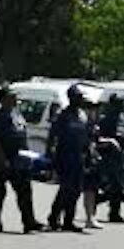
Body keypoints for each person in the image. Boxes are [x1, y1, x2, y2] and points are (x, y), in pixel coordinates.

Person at [0, 86, 44, 234]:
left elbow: (21, 135)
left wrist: (27, 155)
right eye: (11, 97)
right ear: (3, 99)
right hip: (1, 158)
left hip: (18, 159)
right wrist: (2, 159)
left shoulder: (17, 114)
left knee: (24, 190)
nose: (14, 99)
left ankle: (29, 221)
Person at [46, 85, 89, 233]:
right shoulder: (63, 115)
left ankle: (68, 221)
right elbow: (53, 136)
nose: (81, 100)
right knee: (65, 189)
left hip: (79, 156)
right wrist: (50, 155)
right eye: (78, 97)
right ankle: (54, 217)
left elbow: (86, 136)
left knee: (76, 190)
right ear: (71, 98)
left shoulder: (83, 115)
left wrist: (88, 152)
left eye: (81, 97)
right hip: (65, 156)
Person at [97, 93, 124, 223]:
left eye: (121, 103)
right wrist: (112, 139)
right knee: (108, 184)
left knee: (119, 186)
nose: (120, 106)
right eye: (118, 103)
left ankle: (114, 213)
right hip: (108, 155)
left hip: (120, 155)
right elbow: (98, 137)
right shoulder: (104, 119)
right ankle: (96, 201)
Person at [81, 94, 104, 230]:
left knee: (91, 189)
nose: (94, 111)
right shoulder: (82, 122)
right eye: (91, 108)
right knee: (71, 191)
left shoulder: (95, 125)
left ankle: (90, 217)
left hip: (92, 160)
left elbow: (95, 142)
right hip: (80, 159)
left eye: (96, 109)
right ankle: (57, 216)